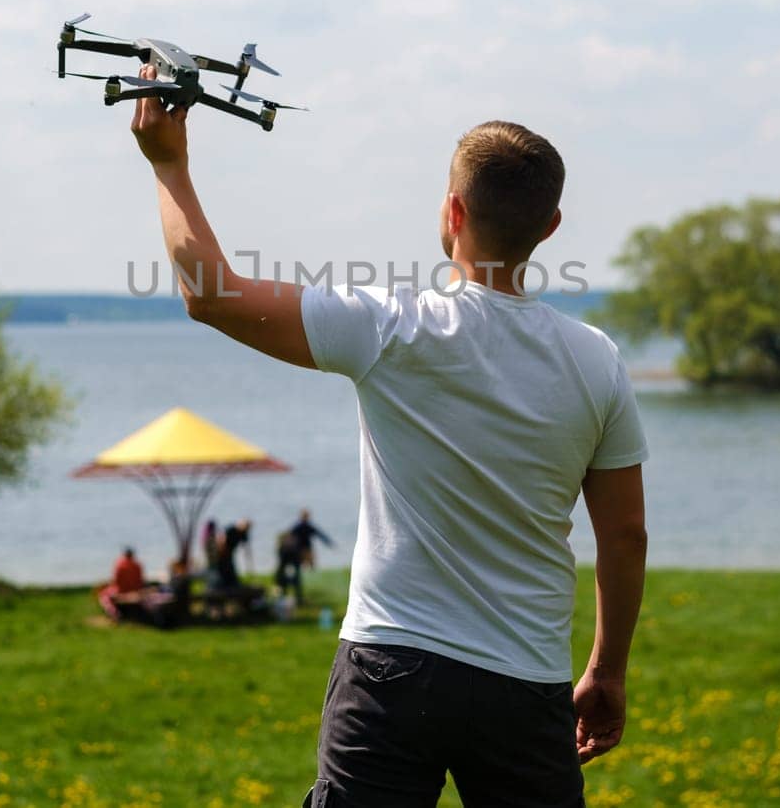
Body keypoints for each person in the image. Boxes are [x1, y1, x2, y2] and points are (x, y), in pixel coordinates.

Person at [130, 95, 649, 807]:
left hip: (390, 668)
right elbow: (624, 535)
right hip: (526, 681)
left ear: (453, 214)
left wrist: (169, 165)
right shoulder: (598, 361)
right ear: (550, 227)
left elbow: (211, 294)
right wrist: (607, 669)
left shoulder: (391, 325)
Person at [97, 546, 147, 621]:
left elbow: (116, 582)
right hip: (136, 590)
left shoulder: (120, 565)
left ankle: (114, 613)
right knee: (107, 592)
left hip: (122, 591)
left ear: (124, 554)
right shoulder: (137, 565)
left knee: (104, 595)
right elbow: (141, 581)